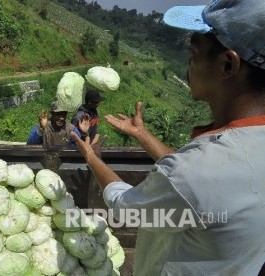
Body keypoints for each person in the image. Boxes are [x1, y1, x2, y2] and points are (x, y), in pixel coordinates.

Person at [72, 1, 265, 275]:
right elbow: (198, 186)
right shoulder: (239, 152)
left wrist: (93, 159)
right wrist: (143, 135)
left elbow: (127, 207)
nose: (189, 61)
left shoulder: (198, 172)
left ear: (227, 64)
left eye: (194, 51)